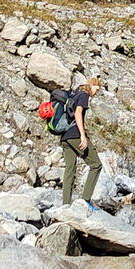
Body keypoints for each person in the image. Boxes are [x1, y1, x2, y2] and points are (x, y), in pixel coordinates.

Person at [50, 76, 103, 207]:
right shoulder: (84, 95)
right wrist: (83, 136)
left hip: (65, 137)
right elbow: (78, 113)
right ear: (92, 85)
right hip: (75, 135)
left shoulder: (74, 95)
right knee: (96, 165)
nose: (97, 92)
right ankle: (85, 201)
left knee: (70, 170)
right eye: (97, 88)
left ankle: (65, 205)